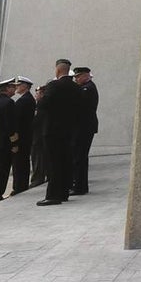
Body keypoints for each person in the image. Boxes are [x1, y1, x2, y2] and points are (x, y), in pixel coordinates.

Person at [37, 58, 79, 206]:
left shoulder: (54, 85)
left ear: (58, 70)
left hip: (52, 131)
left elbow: (43, 105)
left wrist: (40, 98)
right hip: (68, 130)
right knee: (65, 161)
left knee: (53, 163)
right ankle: (64, 192)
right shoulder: (76, 87)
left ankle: (53, 195)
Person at [70, 66, 98, 196]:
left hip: (83, 127)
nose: (76, 79)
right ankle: (80, 185)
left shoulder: (87, 89)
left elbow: (79, 108)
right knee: (79, 156)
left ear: (86, 76)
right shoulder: (85, 88)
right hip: (84, 127)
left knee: (79, 157)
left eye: (78, 77)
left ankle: (79, 186)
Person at [11, 76, 36, 195]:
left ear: (25, 86)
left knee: (19, 163)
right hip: (25, 136)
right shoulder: (27, 99)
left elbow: (17, 120)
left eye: (18, 85)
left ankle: (19, 186)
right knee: (21, 162)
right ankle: (21, 185)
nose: (16, 87)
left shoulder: (24, 100)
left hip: (22, 136)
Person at [30, 83, 48, 187]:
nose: (36, 96)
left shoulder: (41, 105)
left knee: (38, 157)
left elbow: (37, 121)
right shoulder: (38, 105)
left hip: (38, 136)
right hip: (37, 135)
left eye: (37, 94)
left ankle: (38, 178)